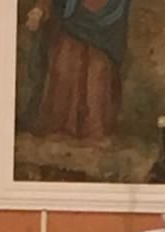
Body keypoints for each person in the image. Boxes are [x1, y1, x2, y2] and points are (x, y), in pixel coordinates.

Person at [28, 0, 131, 142]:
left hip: (105, 25)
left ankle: (93, 128)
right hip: (70, 20)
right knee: (65, 68)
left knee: (97, 75)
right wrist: (40, 9)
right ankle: (61, 123)